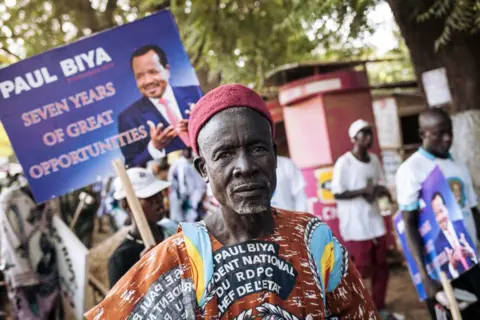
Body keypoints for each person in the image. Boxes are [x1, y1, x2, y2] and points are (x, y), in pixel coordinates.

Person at [86, 84, 378, 319]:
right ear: (203, 170)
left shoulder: (314, 240)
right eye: (225, 154)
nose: (245, 166)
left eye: (258, 148)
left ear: (275, 156)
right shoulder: (174, 260)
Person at [396, 108, 480, 318]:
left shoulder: (457, 165)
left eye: (449, 132)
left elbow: (472, 210)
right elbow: (409, 224)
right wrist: (425, 276)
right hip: (442, 267)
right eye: (439, 133)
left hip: (470, 257)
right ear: (423, 134)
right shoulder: (412, 169)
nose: (447, 139)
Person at [332, 119, 394, 320]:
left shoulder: (374, 160)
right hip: (356, 225)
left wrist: (381, 191)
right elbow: (338, 193)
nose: (368, 137)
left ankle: (379, 304)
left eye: (370, 133)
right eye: (363, 134)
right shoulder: (345, 162)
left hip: (375, 221)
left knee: (381, 267)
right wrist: (362, 191)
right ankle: (357, 308)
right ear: (353, 138)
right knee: (360, 269)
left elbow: (379, 183)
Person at [118, 44, 203, 168]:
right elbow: (131, 165)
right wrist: (155, 147)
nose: (147, 81)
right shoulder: (127, 119)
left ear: (167, 70)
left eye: (153, 72)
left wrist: (198, 126)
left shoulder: (194, 93)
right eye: (140, 76)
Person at [0, 179, 62, 319]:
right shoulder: (9, 200)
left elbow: (55, 231)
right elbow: (12, 244)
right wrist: (29, 279)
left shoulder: (52, 194)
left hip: (49, 272)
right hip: (25, 277)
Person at [108, 167, 177, 288]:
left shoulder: (173, 229)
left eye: (158, 194)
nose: (159, 200)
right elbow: (122, 305)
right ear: (126, 205)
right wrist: (144, 274)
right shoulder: (121, 259)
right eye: (148, 197)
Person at [431, 192, 477, 279]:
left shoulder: (462, 224)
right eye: (436, 215)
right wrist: (452, 266)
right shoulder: (436, 245)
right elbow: (445, 278)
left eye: (441, 211)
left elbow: (476, 254)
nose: (440, 218)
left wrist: (472, 254)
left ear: (446, 209)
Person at [168, 147, 206, 222]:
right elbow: (173, 186)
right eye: (185, 149)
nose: (187, 152)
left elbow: (201, 185)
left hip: (195, 200)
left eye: (189, 149)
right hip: (180, 199)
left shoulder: (195, 164)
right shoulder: (176, 166)